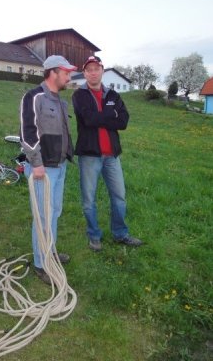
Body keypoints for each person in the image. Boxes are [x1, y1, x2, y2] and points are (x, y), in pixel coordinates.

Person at [72, 56, 142, 251]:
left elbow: (124, 122)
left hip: (112, 156)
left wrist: (102, 118)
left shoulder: (113, 95)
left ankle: (120, 234)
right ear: (84, 73)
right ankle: (94, 236)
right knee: (89, 200)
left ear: (102, 71)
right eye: (89, 69)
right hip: (89, 155)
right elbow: (88, 120)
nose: (93, 72)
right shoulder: (79, 96)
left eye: (97, 68)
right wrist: (110, 115)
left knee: (119, 196)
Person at [20, 55, 77, 284]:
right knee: (43, 217)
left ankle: (50, 252)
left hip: (59, 166)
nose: (69, 77)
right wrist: (36, 163)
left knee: (54, 213)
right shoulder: (34, 97)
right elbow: (27, 131)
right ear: (53, 72)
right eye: (66, 72)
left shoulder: (61, 102)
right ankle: (40, 264)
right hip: (43, 168)